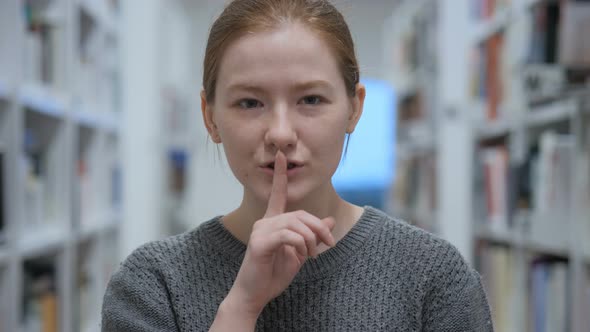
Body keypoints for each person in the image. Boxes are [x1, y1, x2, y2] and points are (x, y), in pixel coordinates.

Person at [101, 0, 494, 331]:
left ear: (355, 108)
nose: (281, 133)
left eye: (310, 100)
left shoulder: (434, 278)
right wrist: (240, 307)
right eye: (250, 103)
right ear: (210, 117)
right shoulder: (151, 286)